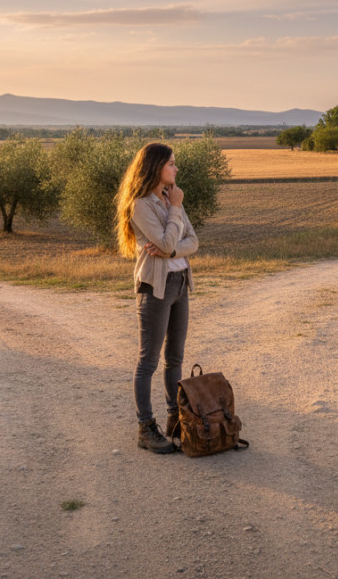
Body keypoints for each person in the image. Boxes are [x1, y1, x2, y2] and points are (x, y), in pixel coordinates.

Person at [115, 142, 198, 454]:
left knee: (175, 358)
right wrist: (175, 211)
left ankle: (175, 420)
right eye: (172, 164)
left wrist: (172, 250)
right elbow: (164, 239)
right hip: (155, 287)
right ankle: (145, 427)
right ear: (155, 167)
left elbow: (192, 240)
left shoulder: (169, 197)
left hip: (179, 282)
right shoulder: (142, 205)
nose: (176, 169)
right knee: (148, 360)